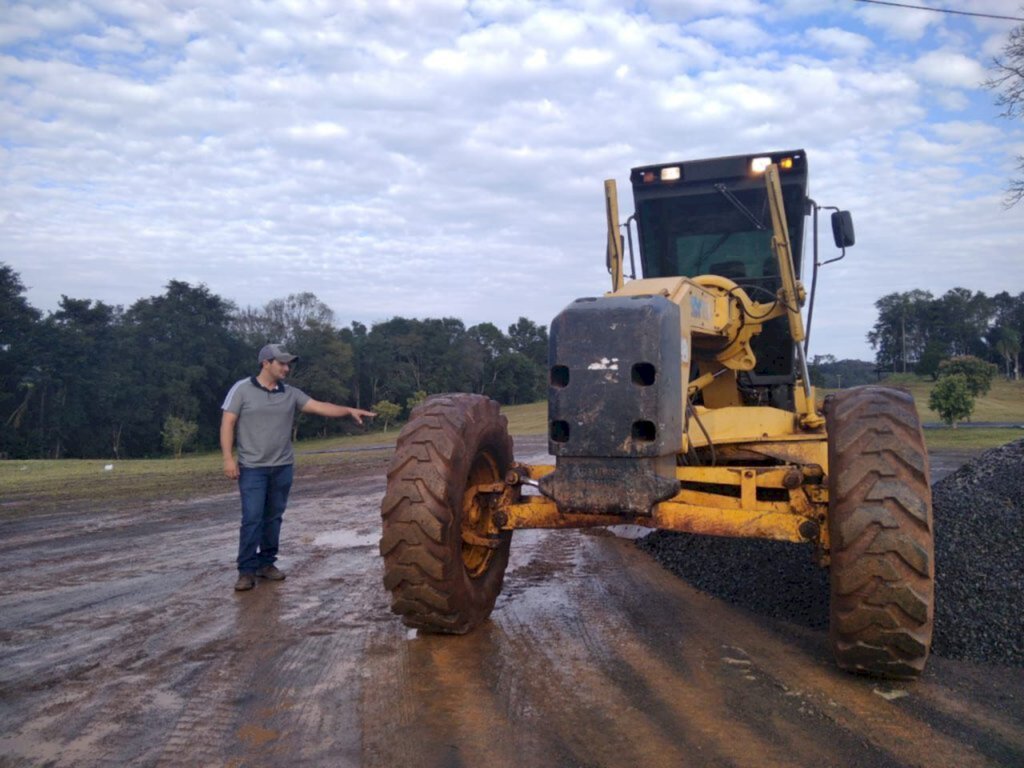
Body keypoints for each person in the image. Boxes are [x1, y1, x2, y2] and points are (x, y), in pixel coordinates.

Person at [220, 343, 375, 592]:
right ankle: (246, 571)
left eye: (288, 363)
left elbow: (319, 406)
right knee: (252, 519)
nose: (286, 368)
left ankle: (266, 564)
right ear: (266, 363)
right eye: (281, 363)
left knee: (273, 518)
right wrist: (228, 458)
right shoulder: (242, 389)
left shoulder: (290, 393)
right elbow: (228, 423)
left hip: (282, 467)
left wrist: (347, 410)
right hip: (252, 468)